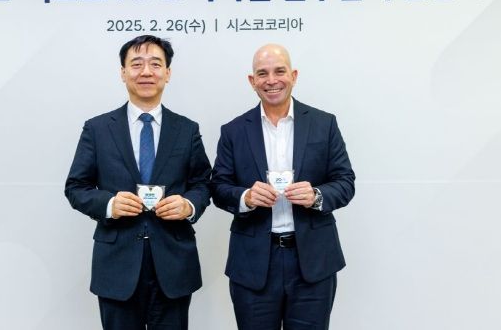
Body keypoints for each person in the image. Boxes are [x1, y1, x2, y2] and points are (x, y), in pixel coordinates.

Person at [65, 35, 211, 330]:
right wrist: (109, 204)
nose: (146, 72)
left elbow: (203, 183)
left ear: (167, 73)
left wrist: (188, 205)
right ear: (123, 72)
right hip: (117, 264)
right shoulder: (98, 129)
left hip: (172, 263)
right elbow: (76, 187)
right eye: (136, 64)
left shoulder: (186, 129)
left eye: (155, 64)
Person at [211, 43, 355, 330]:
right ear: (252, 81)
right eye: (262, 73)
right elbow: (218, 187)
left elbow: (345, 181)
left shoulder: (324, 124)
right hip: (253, 263)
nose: (272, 80)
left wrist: (316, 196)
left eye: (279, 71)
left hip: (312, 262)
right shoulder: (233, 131)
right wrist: (246, 197)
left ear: (294, 75)